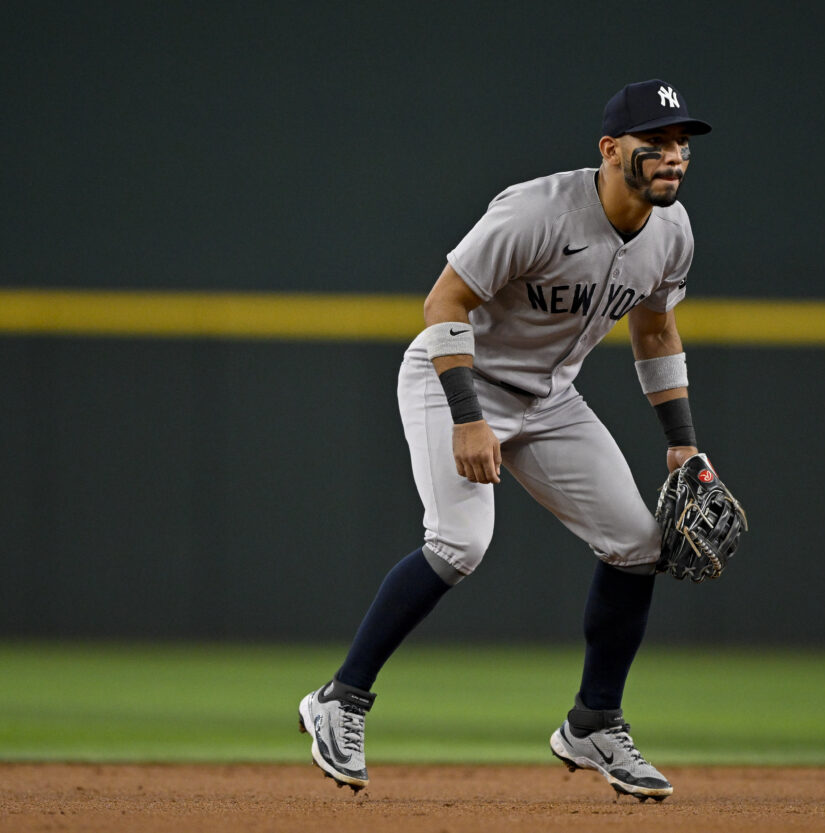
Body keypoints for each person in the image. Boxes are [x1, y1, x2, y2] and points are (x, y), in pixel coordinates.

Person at [298, 79, 712, 802]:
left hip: (550, 396)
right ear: (612, 150)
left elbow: (655, 328)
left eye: (682, 143)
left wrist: (681, 442)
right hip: (454, 379)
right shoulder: (539, 211)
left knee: (638, 543)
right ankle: (341, 697)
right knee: (461, 541)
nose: (674, 155)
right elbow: (443, 301)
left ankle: (593, 721)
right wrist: (466, 415)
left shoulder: (672, 234)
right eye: (657, 143)